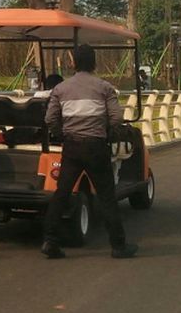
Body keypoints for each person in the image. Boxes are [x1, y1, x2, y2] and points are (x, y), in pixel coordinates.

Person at [40, 44, 138, 260]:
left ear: (73, 63)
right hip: (96, 146)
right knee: (106, 196)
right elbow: (116, 118)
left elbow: (50, 120)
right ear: (93, 62)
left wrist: (63, 133)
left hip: (72, 146)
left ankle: (50, 241)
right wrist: (104, 131)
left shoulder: (61, 89)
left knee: (62, 194)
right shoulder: (104, 88)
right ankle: (118, 246)